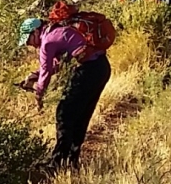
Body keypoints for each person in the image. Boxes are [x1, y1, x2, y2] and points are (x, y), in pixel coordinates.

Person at [18, 15, 112, 170]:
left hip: (88, 70)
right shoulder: (55, 31)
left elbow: (46, 71)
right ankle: (72, 161)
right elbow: (56, 64)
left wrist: (39, 95)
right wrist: (34, 76)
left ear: (35, 32)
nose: (30, 45)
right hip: (102, 68)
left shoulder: (47, 42)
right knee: (81, 115)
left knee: (64, 113)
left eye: (28, 40)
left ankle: (57, 163)